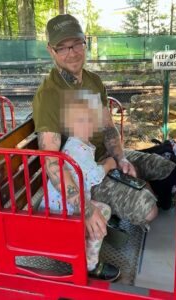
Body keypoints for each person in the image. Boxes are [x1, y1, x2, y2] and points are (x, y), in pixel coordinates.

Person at [33, 13, 176, 274]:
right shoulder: (49, 95)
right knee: (150, 211)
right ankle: (105, 224)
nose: (72, 53)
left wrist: (121, 159)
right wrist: (84, 209)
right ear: (50, 51)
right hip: (85, 174)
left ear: (84, 42)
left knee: (165, 166)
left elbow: (108, 128)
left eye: (76, 43)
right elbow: (52, 162)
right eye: (62, 47)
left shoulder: (93, 81)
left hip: (103, 159)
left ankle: (125, 200)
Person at [39, 94, 120, 280]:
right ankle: (89, 262)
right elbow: (94, 176)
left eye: (90, 120)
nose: (86, 125)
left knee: (100, 207)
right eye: (80, 121)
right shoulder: (78, 148)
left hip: (61, 202)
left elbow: (85, 170)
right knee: (104, 211)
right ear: (69, 125)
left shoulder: (79, 145)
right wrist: (108, 164)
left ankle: (86, 245)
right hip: (61, 207)